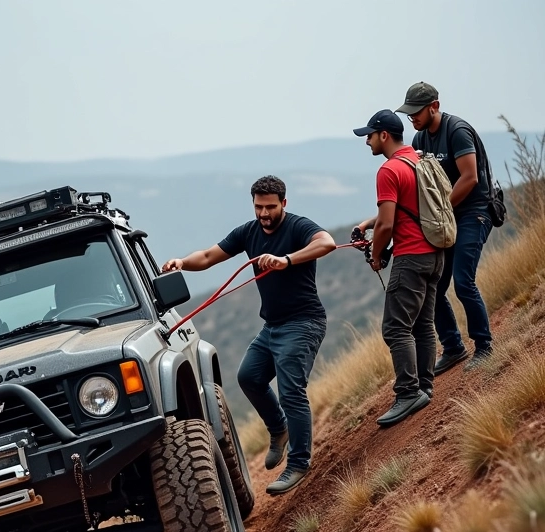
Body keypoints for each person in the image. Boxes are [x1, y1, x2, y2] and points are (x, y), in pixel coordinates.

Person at [161, 175, 335, 495]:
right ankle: (278, 429)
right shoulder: (249, 231)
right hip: (272, 326)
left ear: (284, 203)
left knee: (290, 390)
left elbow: (327, 243)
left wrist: (287, 260)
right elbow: (210, 256)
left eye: (271, 207)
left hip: (303, 322)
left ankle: (298, 463)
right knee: (248, 377)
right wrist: (182, 263)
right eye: (259, 207)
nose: (264, 213)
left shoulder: (297, 227)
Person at [352, 110, 444, 427]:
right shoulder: (416, 161)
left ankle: (407, 393)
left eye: (370, 135)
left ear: (384, 136)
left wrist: (377, 255)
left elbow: (388, 224)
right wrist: (368, 223)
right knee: (422, 323)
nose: (367, 141)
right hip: (435, 254)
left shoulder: (388, 170)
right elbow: (404, 207)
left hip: (411, 257)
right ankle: (425, 387)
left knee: (395, 328)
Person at [396, 82, 494, 372]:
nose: (411, 117)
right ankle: (452, 347)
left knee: (463, 283)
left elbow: (470, 178)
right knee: (434, 286)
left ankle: (485, 346)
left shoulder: (457, 131)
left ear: (434, 106)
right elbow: (417, 184)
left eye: (416, 111)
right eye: (408, 112)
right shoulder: (419, 139)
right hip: (446, 218)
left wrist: (440, 211)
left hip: (474, 212)